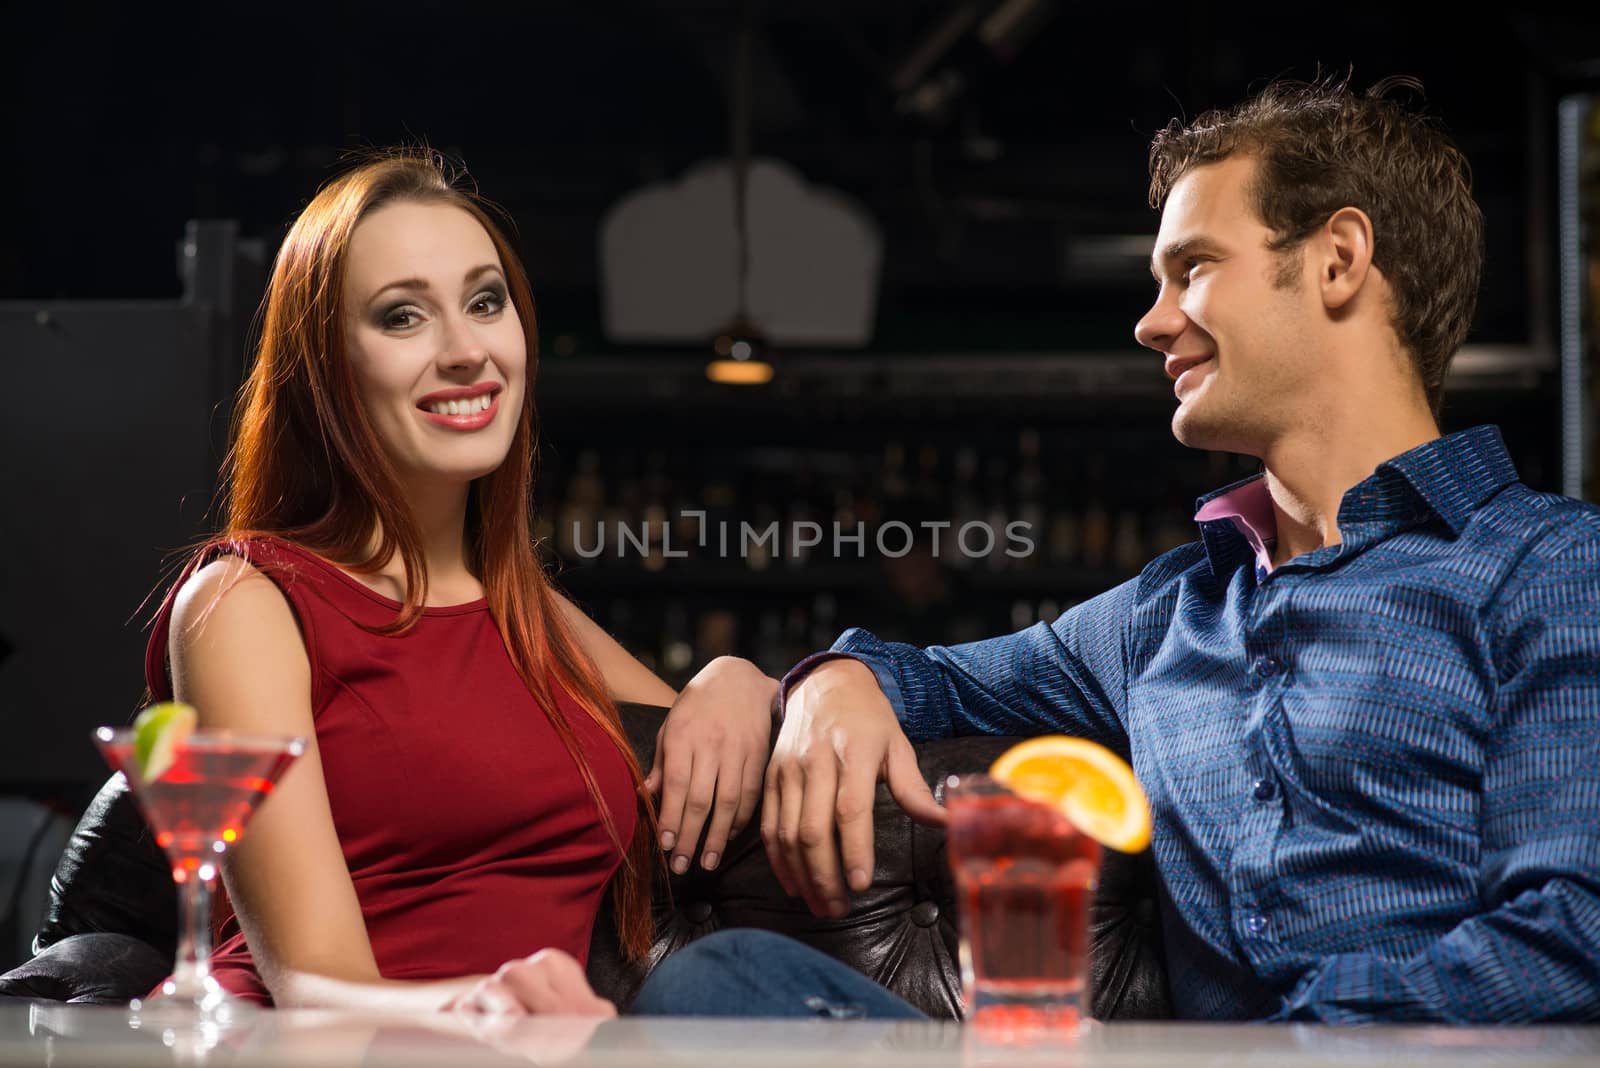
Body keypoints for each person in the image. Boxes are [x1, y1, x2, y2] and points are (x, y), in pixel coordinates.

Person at [762, 76, 1600, 1024]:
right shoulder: (1167, 616)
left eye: (1192, 268)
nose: (1152, 322)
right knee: (730, 980)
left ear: (1339, 260)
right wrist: (828, 679)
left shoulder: (1554, 570)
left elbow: (1575, 938)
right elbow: (924, 680)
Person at [146, 148, 917, 1019]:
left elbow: (698, 747)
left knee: (735, 981)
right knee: (714, 982)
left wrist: (734, 681)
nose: (466, 350)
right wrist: (495, 1011)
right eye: (403, 316)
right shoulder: (248, 602)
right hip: (366, 1049)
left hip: (538, 1044)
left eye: (486, 302)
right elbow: (310, 982)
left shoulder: (522, 608)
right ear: (324, 368)